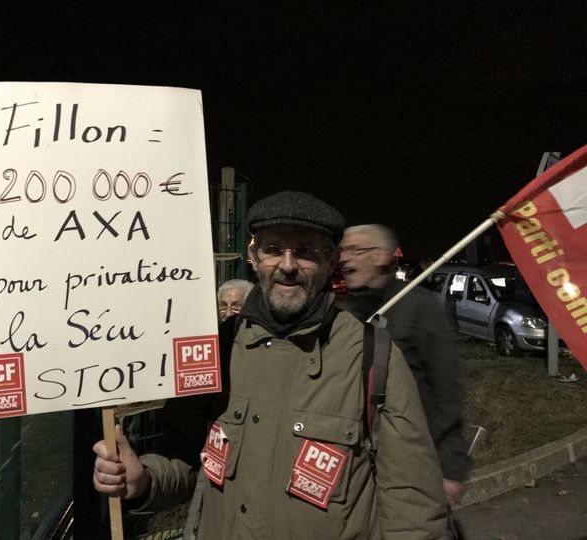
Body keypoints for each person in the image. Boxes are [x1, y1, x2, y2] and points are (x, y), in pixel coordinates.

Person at [93, 192, 448, 539]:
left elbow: (413, 504)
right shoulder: (215, 349)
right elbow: (184, 461)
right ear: (253, 256)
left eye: (306, 252)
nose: (288, 266)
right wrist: (143, 479)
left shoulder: (373, 356)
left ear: (331, 261)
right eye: (273, 249)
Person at [338, 224, 472, 508]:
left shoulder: (419, 307)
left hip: (412, 458)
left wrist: (449, 467)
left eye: (355, 250)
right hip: (357, 462)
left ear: (381, 256)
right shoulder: (344, 313)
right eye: (342, 251)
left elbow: (446, 389)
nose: (344, 258)